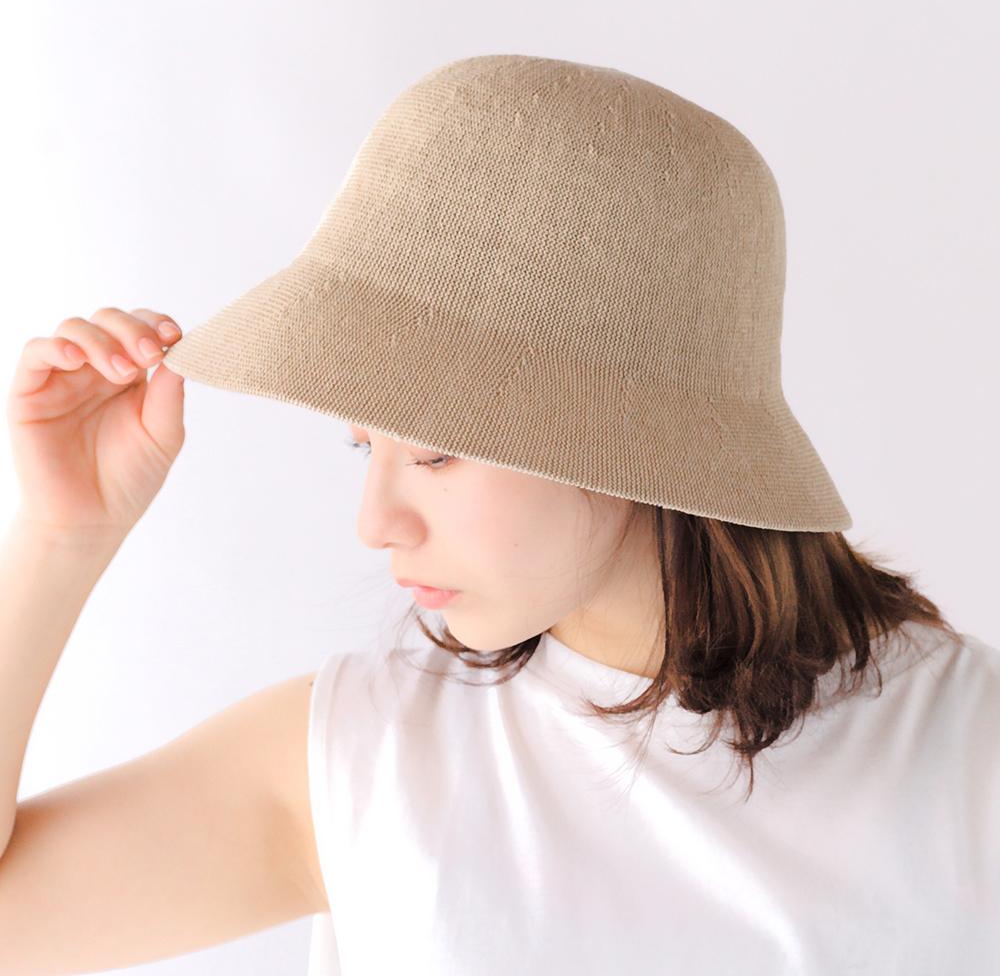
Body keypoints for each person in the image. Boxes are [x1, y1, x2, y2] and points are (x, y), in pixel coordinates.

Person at [2, 54, 998, 974]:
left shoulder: (967, 753)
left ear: (630, 437)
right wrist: (61, 536)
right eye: (363, 446)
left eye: (433, 451)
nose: (376, 522)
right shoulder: (367, 759)